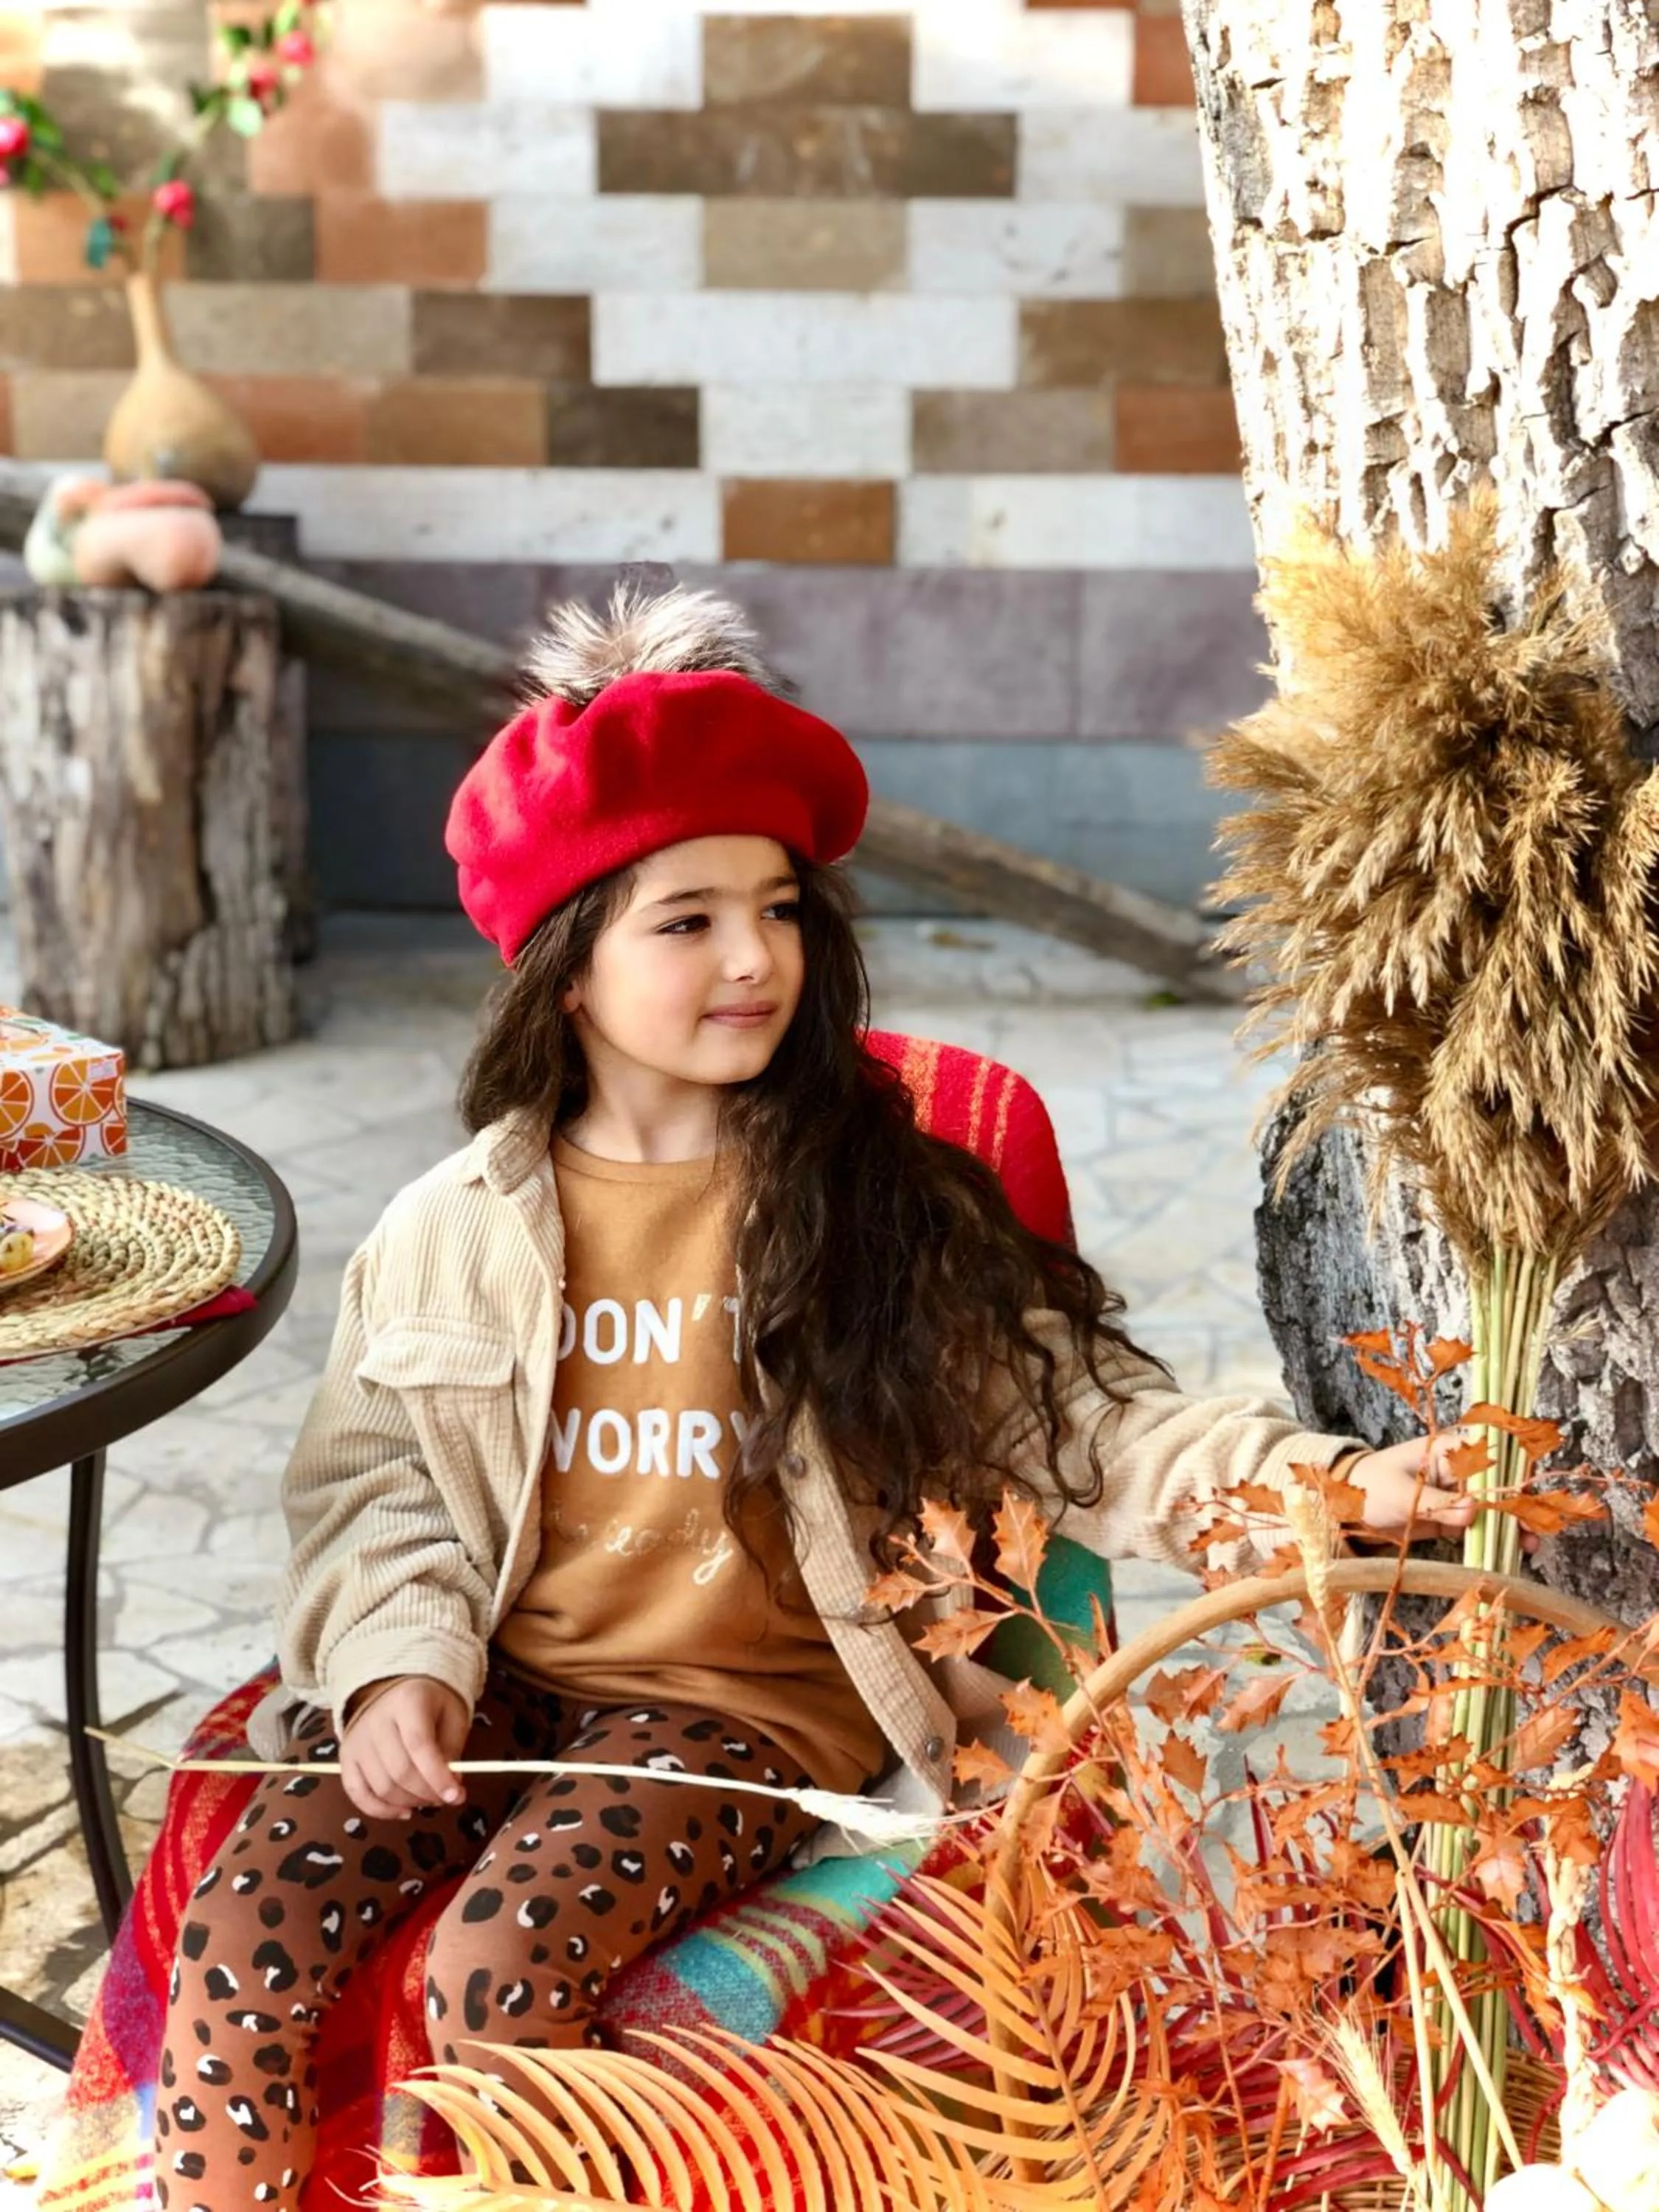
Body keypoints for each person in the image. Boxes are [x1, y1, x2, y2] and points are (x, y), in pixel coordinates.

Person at [150, 586, 1474, 2210]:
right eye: (687, 920)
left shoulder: (873, 1198)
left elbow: (1087, 1421)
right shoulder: (450, 1231)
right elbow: (383, 1492)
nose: (756, 957)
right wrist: (393, 1673)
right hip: (509, 1686)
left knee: (497, 1969)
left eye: (777, 909)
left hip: (742, 1721)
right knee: (247, 1931)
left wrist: (1320, 1487)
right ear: (567, 965)